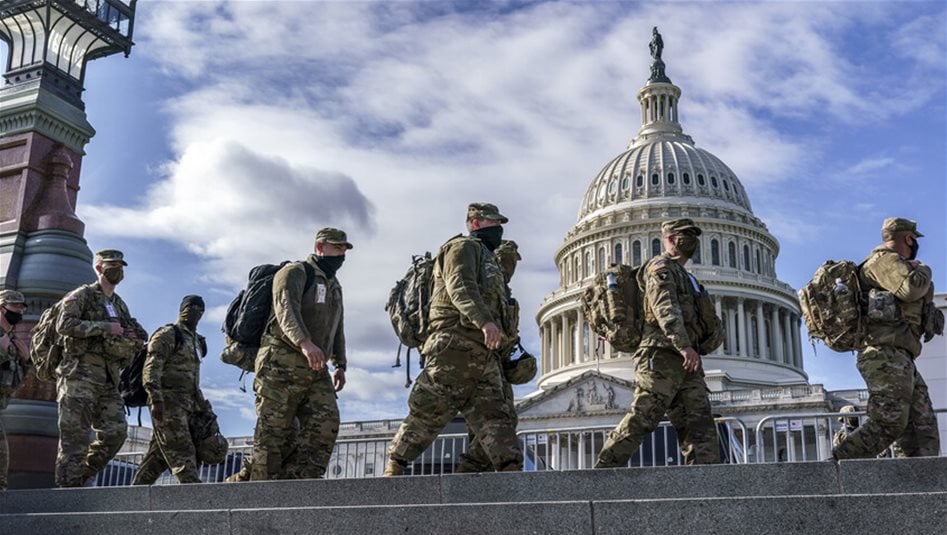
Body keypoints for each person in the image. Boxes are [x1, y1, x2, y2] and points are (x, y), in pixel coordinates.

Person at [385, 203, 522, 476]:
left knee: (498, 419)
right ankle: (395, 466)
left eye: (499, 223)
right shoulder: (462, 248)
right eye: (490, 222)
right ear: (473, 223)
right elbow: (460, 285)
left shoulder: (489, 259)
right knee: (429, 411)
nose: (497, 228)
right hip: (454, 346)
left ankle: (504, 474)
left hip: (485, 352)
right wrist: (484, 322)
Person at [595, 218, 721, 468]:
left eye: (693, 235)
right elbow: (664, 307)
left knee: (699, 424)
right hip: (660, 354)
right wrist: (683, 345)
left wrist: (692, 347)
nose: (691, 240)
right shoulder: (660, 267)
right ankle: (604, 469)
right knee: (644, 415)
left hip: (687, 359)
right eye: (684, 235)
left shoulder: (686, 276)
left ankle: (707, 480)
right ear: (669, 239)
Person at [832, 217, 940, 459]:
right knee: (888, 422)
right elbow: (910, 289)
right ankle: (834, 467)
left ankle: (921, 487)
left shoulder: (895, 262)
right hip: (884, 354)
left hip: (901, 355)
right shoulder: (884, 261)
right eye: (913, 240)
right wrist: (923, 269)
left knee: (922, 429)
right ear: (908, 239)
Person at [249, 228, 351, 480]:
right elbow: (285, 309)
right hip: (280, 362)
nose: (341, 254)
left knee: (326, 423)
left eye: (343, 249)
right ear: (319, 247)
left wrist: (340, 364)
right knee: (272, 434)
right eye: (336, 248)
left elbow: (337, 326)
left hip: (315, 368)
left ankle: (296, 486)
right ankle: (256, 496)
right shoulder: (295, 272)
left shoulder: (334, 285)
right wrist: (304, 343)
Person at [54, 249, 147, 487]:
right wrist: (104, 327)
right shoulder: (82, 295)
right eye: (112, 265)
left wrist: (130, 337)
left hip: (108, 380)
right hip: (79, 375)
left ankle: (83, 474)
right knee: (75, 438)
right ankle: (66, 495)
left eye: (120, 266)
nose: (117, 270)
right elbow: (64, 324)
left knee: (116, 433)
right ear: (99, 268)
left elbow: (138, 333)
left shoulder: (119, 304)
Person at [455, 240, 525, 473]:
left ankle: (472, 473)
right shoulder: (483, 287)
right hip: (476, 361)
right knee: (496, 421)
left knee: (496, 422)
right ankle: (471, 471)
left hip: (496, 365)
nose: (511, 267)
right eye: (509, 261)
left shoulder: (505, 295)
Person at [132, 295, 209, 485]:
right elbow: (151, 369)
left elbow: (193, 379)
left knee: (157, 458)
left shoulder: (196, 341)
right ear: (182, 309)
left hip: (189, 405)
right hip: (167, 403)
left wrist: (203, 407)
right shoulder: (168, 334)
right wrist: (156, 399)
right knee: (183, 451)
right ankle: (195, 497)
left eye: (200, 309)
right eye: (191, 307)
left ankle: (133, 495)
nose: (196, 312)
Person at [0, 290, 29, 490]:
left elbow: (15, 379)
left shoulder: (11, 339)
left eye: (21, 307)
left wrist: (26, 359)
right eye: (15, 306)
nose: (19, 311)